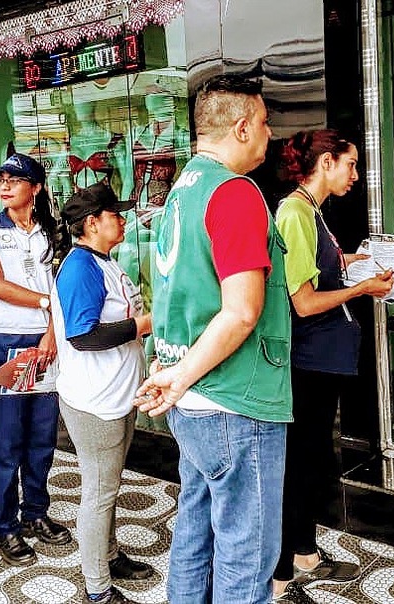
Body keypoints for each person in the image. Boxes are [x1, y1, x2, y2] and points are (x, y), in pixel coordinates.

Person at [134, 74, 292, 603]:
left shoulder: (181, 190)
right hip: (234, 397)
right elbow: (242, 311)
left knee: (196, 536)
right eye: (266, 123)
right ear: (243, 126)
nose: (270, 135)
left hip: (194, 398)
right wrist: (179, 376)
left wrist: (175, 375)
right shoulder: (235, 193)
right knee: (247, 557)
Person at [271, 131, 394, 602]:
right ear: (326, 161)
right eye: (351, 164)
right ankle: (280, 576)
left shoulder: (311, 212)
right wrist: (360, 290)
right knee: (301, 464)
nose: (356, 175)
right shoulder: (295, 213)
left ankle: (303, 552)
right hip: (309, 361)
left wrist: (352, 262)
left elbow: (315, 269)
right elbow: (302, 301)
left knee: (313, 459)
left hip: (323, 359)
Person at [51, 182, 155, 604]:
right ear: (92, 223)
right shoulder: (80, 267)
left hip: (117, 395)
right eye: (116, 214)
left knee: (107, 486)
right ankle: (97, 588)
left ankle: (110, 556)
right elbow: (82, 336)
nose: (123, 219)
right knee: (98, 491)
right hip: (95, 402)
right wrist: (142, 326)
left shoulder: (105, 262)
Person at [0, 152, 72, 567]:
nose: (5, 185)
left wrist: (52, 333)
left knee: (42, 438)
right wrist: (47, 303)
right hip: (8, 342)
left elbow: (59, 282)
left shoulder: (51, 230)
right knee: (8, 441)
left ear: (35, 187)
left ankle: (35, 513)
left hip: (46, 341)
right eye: (1, 179)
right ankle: (5, 526)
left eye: (15, 179)